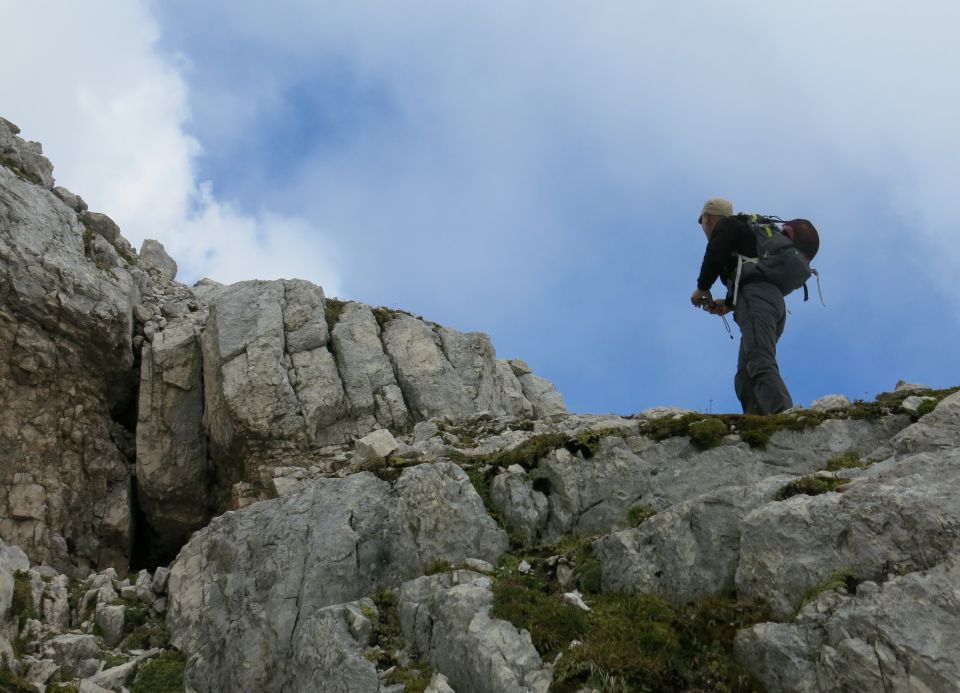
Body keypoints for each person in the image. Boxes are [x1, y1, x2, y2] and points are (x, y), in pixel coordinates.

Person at [690, 198, 793, 415]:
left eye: (703, 223)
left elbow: (714, 254)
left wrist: (702, 287)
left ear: (707, 218)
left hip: (756, 300)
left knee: (759, 361)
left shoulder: (727, 225)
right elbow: (748, 273)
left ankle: (785, 419)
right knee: (744, 376)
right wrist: (728, 304)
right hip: (769, 301)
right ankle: (758, 425)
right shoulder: (746, 234)